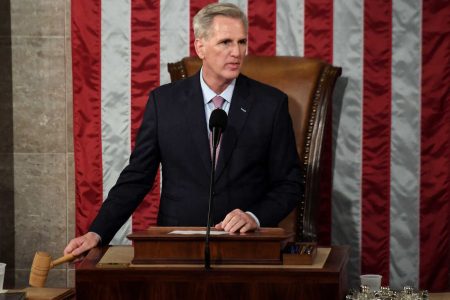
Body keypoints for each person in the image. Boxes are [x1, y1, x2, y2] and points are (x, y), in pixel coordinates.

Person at [64, 3, 302, 257]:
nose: (237, 52)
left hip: (246, 245)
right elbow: (137, 177)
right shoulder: (163, 102)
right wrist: (96, 232)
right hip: (176, 247)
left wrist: (254, 216)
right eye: (225, 42)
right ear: (200, 47)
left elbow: (290, 183)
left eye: (241, 42)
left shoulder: (270, 104)